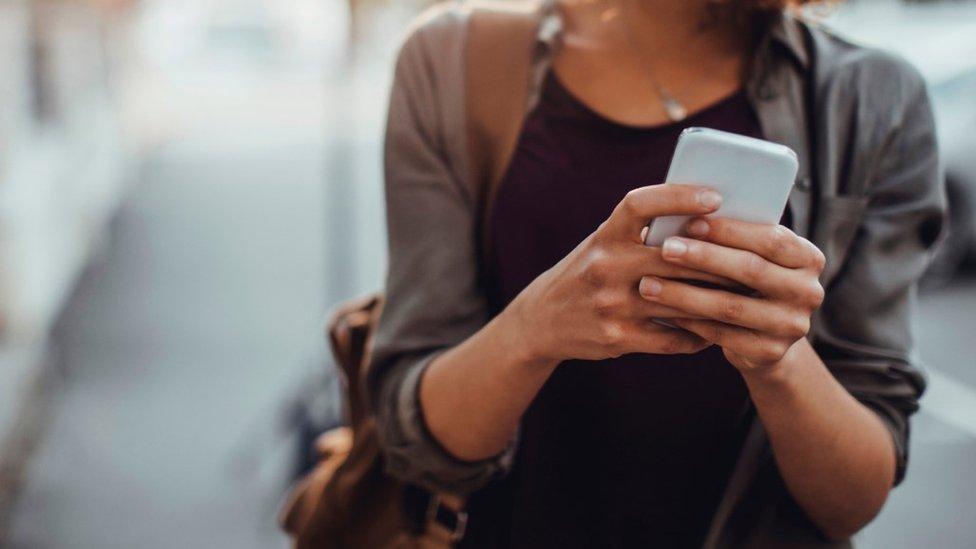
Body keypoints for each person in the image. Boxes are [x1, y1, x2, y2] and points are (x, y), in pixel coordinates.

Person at [367, 0, 947, 546]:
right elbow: (416, 439)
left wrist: (778, 358)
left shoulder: (874, 99)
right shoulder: (454, 65)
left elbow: (852, 498)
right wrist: (534, 329)